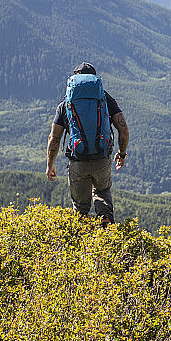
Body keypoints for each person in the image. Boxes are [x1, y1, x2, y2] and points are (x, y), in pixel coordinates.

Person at [46, 62, 129, 226]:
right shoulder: (105, 99)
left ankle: (83, 243)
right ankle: (106, 229)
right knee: (102, 192)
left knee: (80, 208)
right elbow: (123, 129)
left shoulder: (66, 103)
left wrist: (50, 164)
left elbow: (54, 138)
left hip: (78, 161)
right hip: (102, 159)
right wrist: (122, 153)